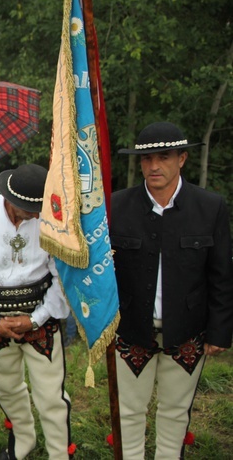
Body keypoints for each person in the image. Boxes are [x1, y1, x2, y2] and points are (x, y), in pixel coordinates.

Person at [110, 122, 233, 459]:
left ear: (182, 159)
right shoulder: (115, 207)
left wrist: (220, 330)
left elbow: (222, 274)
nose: (153, 166)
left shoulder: (210, 207)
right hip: (131, 328)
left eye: (163, 157)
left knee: (176, 411)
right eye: (147, 158)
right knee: (130, 411)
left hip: (188, 329)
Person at [0, 164, 73, 460]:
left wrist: (37, 318)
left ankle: (60, 453)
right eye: (29, 209)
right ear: (11, 200)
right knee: (7, 387)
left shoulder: (52, 218)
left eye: (38, 208)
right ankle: (23, 439)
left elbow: (63, 278)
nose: (35, 215)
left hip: (41, 313)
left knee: (50, 393)